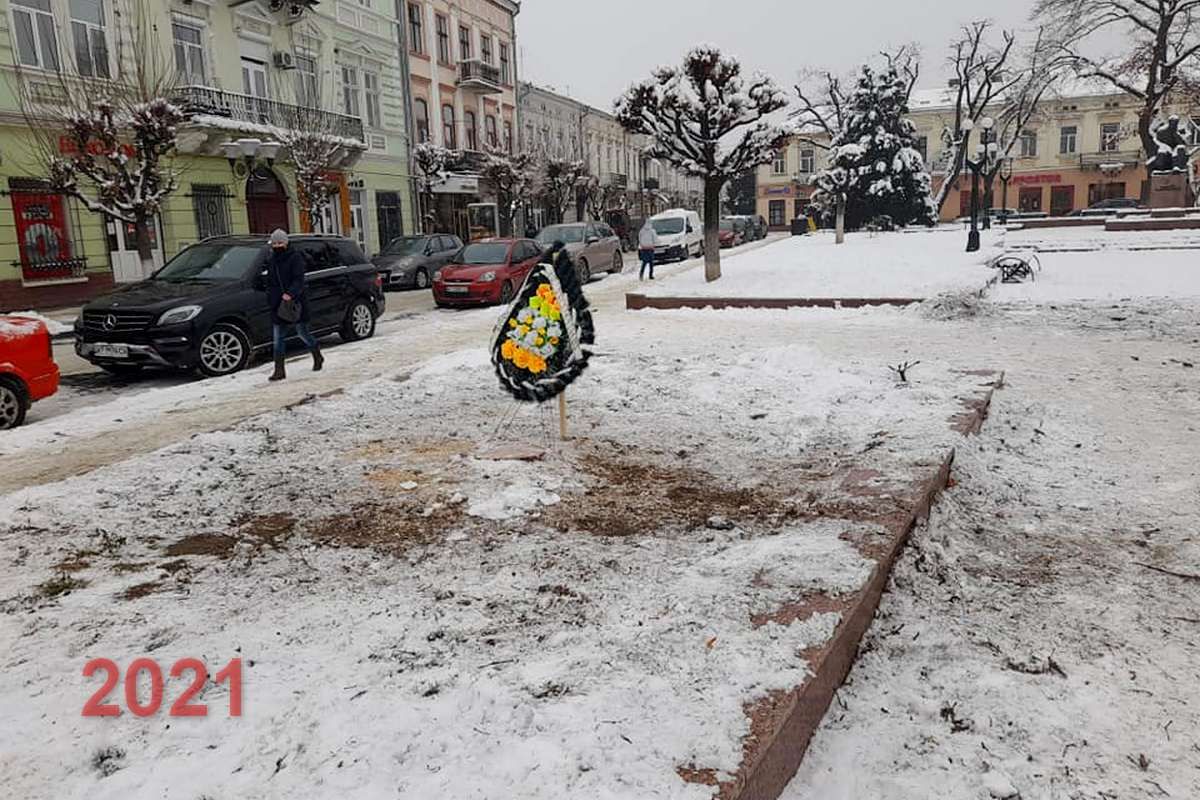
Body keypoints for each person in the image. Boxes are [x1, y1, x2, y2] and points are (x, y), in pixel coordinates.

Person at [265, 229, 323, 382]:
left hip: (295, 303)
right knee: (278, 338)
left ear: (286, 243)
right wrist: (270, 295)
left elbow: (299, 279)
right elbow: (270, 281)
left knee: (303, 333)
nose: (278, 245)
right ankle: (279, 370)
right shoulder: (271, 260)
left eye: (280, 242)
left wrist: (291, 293)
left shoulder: (295, 257)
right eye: (275, 243)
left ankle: (317, 355)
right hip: (278, 305)